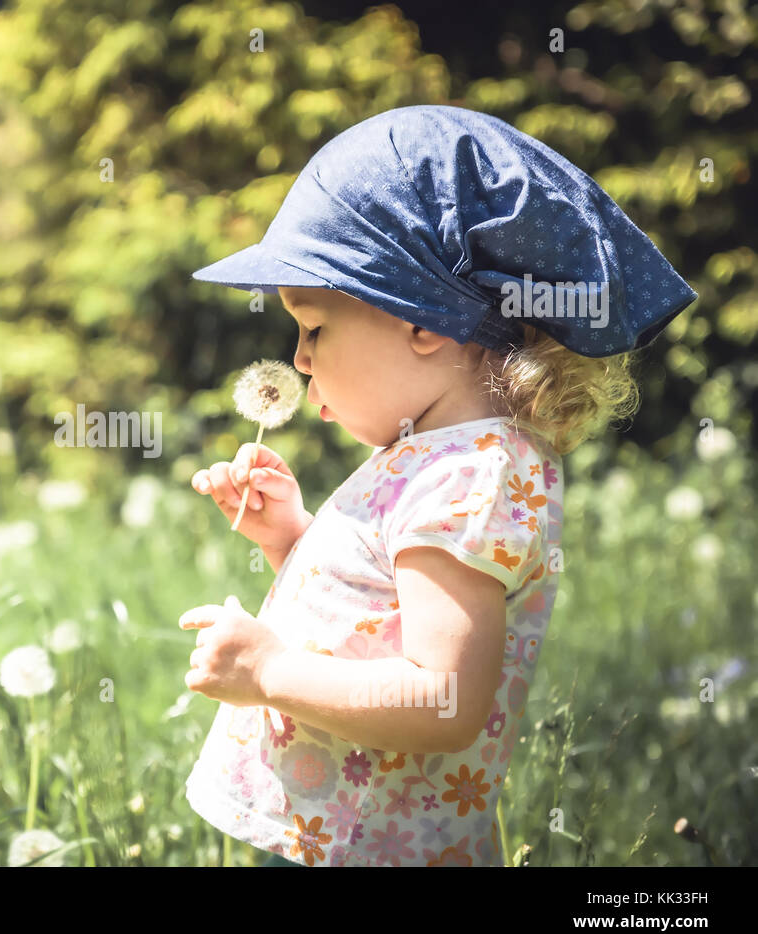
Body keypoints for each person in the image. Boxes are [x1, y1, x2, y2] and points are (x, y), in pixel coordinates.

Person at [177, 105, 695, 866]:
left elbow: (441, 699)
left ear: (423, 320)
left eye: (315, 327)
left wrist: (267, 673)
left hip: (378, 849)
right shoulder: (437, 457)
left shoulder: (473, 475)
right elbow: (378, 613)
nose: (301, 358)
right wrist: (290, 535)